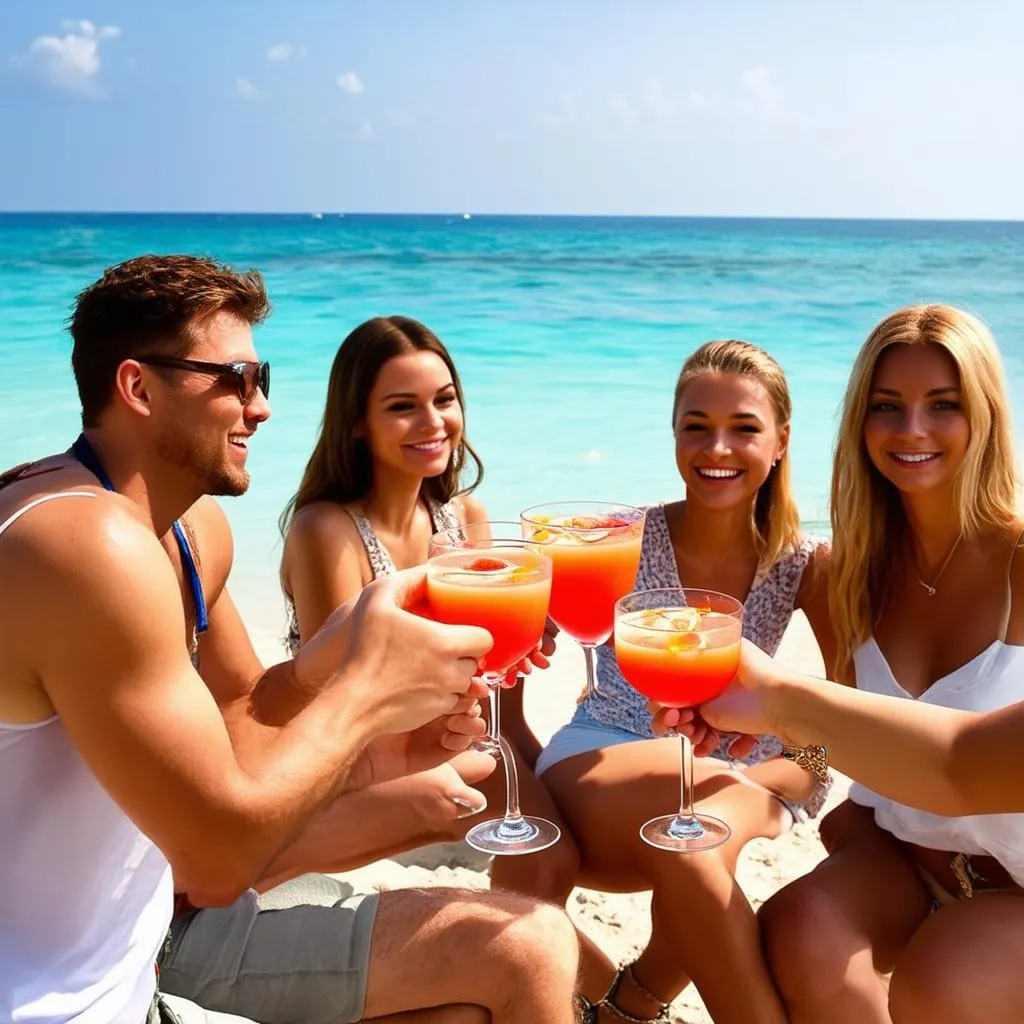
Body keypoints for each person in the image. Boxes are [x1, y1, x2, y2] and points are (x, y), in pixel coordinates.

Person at [0, 255, 581, 1024]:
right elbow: (218, 863)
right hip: (66, 1000)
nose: (263, 406)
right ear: (138, 387)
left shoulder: (186, 528)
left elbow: (244, 714)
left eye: (262, 375)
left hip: (134, 955)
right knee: (527, 951)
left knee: (504, 970)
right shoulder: (80, 543)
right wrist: (366, 696)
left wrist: (328, 665)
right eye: (235, 379)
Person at [668, 305, 1024, 1024]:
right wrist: (747, 738)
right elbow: (837, 738)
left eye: (943, 406)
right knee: (799, 931)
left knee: (945, 977)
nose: (911, 430)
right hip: (909, 861)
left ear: (984, 416)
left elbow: (959, 769)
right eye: (887, 406)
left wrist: (771, 693)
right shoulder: (852, 571)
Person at [536, 340, 835, 1024]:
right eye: (696, 426)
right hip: (602, 750)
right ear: (674, 434)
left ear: (782, 440)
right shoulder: (618, 535)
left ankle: (630, 1009)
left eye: (744, 428)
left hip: (749, 775)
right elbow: (527, 619)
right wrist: (517, 741)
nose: (717, 447)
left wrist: (790, 771)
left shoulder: (807, 563)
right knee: (701, 830)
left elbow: (841, 732)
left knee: (700, 849)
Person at [277, 315, 579, 901]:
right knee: (544, 862)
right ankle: (611, 996)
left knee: (562, 849)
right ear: (358, 423)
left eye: (444, 399)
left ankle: (604, 994)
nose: (433, 422)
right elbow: (337, 695)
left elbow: (493, 685)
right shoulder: (327, 530)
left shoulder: (465, 519)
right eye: (402, 406)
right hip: (365, 762)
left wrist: (520, 648)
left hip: (461, 742)